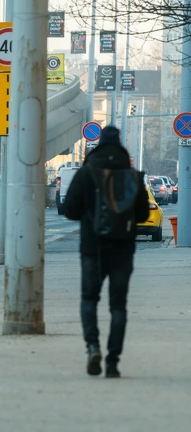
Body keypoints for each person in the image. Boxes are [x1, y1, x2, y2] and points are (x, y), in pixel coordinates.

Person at [63, 126, 149, 378]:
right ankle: (113, 362)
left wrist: (90, 217)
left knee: (89, 300)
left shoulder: (87, 172)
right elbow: (143, 214)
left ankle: (92, 347)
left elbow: (69, 210)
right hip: (123, 248)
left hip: (92, 248)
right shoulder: (131, 175)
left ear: (99, 143)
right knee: (118, 306)